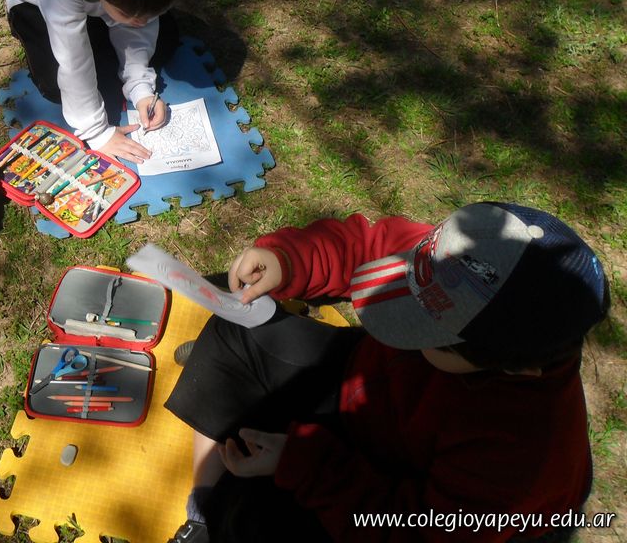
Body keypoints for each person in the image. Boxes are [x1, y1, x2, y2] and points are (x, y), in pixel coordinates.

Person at [165, 202, 610, 543]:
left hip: (396, 483)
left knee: (256, 521)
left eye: (424, 331)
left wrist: (304, 465)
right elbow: (368, 247)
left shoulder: (520, 462)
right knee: (238, 329)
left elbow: (408, 530)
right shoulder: (471, 259)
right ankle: (202, 514)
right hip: (363, 381)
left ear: (516, 367)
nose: (403, 322)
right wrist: (289, 260)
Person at [0, 0, 185, 164]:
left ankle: (113, 28)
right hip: (32, 0)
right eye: (131, 15)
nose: (142, 22)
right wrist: (98, 133)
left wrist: (140, 86)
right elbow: (73, 58)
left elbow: (140, 24)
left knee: (167, 37)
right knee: (57, 85)